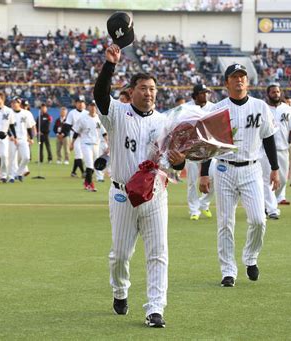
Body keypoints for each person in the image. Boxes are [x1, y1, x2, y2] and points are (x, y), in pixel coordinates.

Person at [93, 44, 185, 328]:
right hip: (122, 194)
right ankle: (120, 290)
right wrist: (110, 65)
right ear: (131, 91)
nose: (149, 93)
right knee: (120, 255)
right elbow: (100, 96)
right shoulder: (118, 113)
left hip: (155, 193)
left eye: (153, 89)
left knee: (158, 252)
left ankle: (155, 308)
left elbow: (175, 162)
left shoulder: (166, 122)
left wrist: (180, 162)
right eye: (143, 88)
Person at [199, 63, 280, 287]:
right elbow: (208, 143)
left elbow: (268, 137)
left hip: (252, 168)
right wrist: (204, 174)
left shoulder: (260, 106)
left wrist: (274, 168)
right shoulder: (216, 109)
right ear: (227, 83)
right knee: (225, 223)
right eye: (234, 77)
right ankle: (228, 271)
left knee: (258, 219)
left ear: (248, 81)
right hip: (224, 168)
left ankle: (250, 257)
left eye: (242, 76)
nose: (239, 80)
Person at [263, 85, 291, 211]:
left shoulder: (288, 110)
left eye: (278, 91)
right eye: (273, 92)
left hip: (283, 149)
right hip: (265, 150)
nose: (276, 94)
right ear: (268, 94)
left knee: (282, 180)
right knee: (267, 179)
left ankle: (269, 203)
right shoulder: (263, 109)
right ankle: (270, 208)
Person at [184, 84, 215, 220]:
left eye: (207, 93)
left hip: (210, 149)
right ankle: (194, 210)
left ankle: (204, 203)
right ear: (195, 95)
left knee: (213, 177)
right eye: (202, 93)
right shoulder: (187, 108)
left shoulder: (214, 107)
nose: (205, 95)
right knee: (191, 181)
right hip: (192, 149)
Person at [71, 101, 108, 192]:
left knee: (95, 165)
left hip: (96, 144)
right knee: (89, 164)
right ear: (88, 107)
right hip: (86, 144)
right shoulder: (83, 119)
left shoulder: (99, 119)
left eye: (94, 106)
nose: (93, 108)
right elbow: (76, 132)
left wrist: (108, 144)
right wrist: (72, 143)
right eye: (91, 106)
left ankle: (86, 182)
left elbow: (104, 132)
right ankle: (90, 185)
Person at [8, 97, 35, 182]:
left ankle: (19, 173)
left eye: (16, 102)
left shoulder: (26, 113)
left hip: (23, 138)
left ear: (19, 103)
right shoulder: (8, 113)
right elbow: (6, 126)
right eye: (12, 102)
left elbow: (29, 127)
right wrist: (10, 135)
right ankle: (11, 176)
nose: (14, 104)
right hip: (12, 139)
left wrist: (31, 138)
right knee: (12, 158)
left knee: (26, 157)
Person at [63, 96, 87, 177]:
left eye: (82, 102)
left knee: (80, 155)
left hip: (85, 137)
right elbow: (67, 125)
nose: (81, 104)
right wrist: (76, 131)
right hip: (74, 137)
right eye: (79, 102)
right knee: (79, 154)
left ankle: (73, 172)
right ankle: (83, 172)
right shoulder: (72, 113)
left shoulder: (87, 113)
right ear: (76, 104)